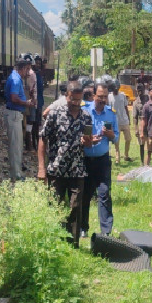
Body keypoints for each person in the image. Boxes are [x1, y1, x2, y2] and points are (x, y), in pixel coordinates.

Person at [38, 80, 88, 245]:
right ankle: (55, 241)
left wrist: (89, 141)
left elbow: (88, 142)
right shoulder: (54, 113)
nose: (75, 103)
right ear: (66, 96)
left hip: (77, 169)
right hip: (56, 169)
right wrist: (41, 168)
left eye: (78, 100)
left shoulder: (85, 116)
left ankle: (73, 244)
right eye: (72, 99)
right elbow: (43, 139)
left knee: (75, 206)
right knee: (55, 207)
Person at [82, 82, 118, 238]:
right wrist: (88, 140)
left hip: (102, 161)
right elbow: (78, 133)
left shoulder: (111, 113)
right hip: (85, 160)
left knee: (104, 194)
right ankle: (83, 227)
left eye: (105, 97)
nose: (102, 99)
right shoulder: (84, 111)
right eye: (100, 96)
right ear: (93, 95)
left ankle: (106, 231)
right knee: (85, 194)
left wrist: (110, 135)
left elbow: (115, 137)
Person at [4, 54, 37, 181]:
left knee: (16, 144)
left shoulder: (14, 77)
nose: (28, 73)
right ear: (22, 68)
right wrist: (26, 103)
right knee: (16, 146)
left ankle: (16, 170)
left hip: (14, 114)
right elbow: (13, 97)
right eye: (27, 69)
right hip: (14, 114)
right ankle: (16, 174)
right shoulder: (16, 79)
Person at [111, 81, 132, 164]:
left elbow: (126, 108)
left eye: (117, 88)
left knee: (128, 139)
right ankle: (117, 159)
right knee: (117, 142)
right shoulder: (109, 97)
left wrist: (129, 119)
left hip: (124, 121)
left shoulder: (122, 95)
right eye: (114, 88)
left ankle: (126, 155)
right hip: (116, 123)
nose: (116, 90)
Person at [139, 86, 152, 166]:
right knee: (149, 151)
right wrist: (142, 132)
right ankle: (146, 167)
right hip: (150, 132)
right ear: (149, 93)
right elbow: (143, 120)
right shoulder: (146, 106)